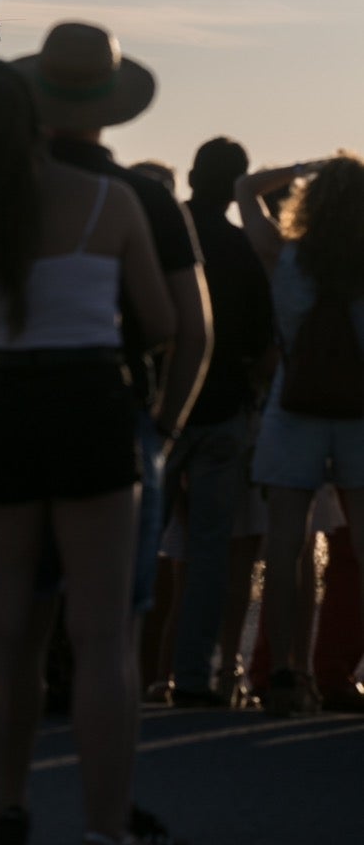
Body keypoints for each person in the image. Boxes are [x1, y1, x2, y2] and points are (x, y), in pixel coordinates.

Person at [0, 64, 174, 845]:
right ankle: (106, 826)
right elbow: (161, 321)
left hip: (3, 406)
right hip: (90, 402)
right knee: (102, 637)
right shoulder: (110, 201)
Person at [235, 153, 364, 716]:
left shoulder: (284, 257)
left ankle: (285, 673)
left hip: (294, 412)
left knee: (286, 545)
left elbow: (245, 187)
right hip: (360, 415)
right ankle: (346, 671)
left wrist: (303, 166)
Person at [161, 138, 273, 706]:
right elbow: (261, 340)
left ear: (191, 174)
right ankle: (194, 675)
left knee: (135, 543)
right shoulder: (241, 247)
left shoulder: (166, 232)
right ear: (235, 186)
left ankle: (112, 661)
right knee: (210, 552)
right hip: (225, 408)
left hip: (161, 407)